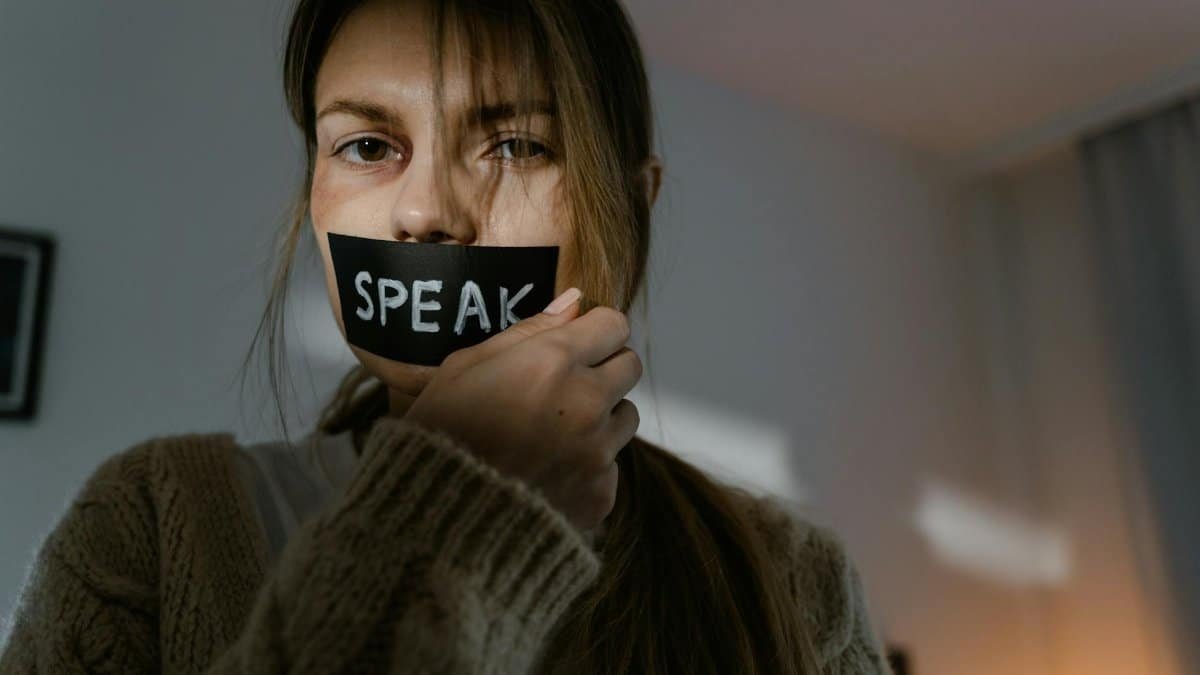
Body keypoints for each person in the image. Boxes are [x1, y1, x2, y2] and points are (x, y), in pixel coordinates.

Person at [0, 1, 892, 673]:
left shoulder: (795, 583)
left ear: (633, 202)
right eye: (367, 145)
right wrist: (452, 515)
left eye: (515, 144)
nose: (426, 211)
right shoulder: (150, 526)